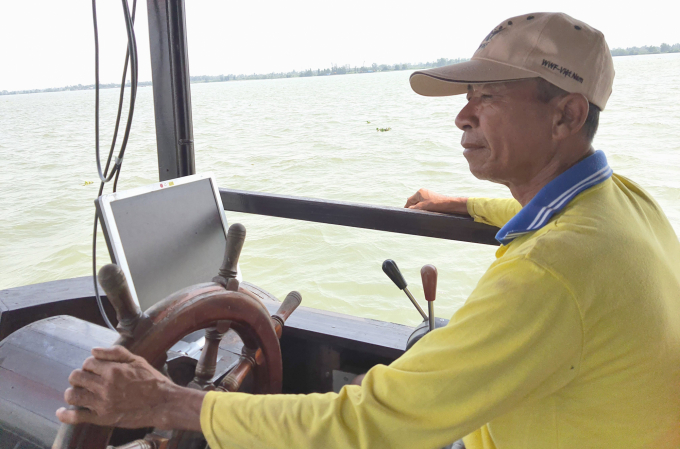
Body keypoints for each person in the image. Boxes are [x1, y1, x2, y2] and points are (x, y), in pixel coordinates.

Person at [57, 12, 680, 449]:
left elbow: (370, 429)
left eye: (487, 95)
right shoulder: (622, 203)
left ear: (567, 114)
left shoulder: (549, 274)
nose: (462, 113)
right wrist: (461, 203)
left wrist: (163, 403)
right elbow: (529, 218)